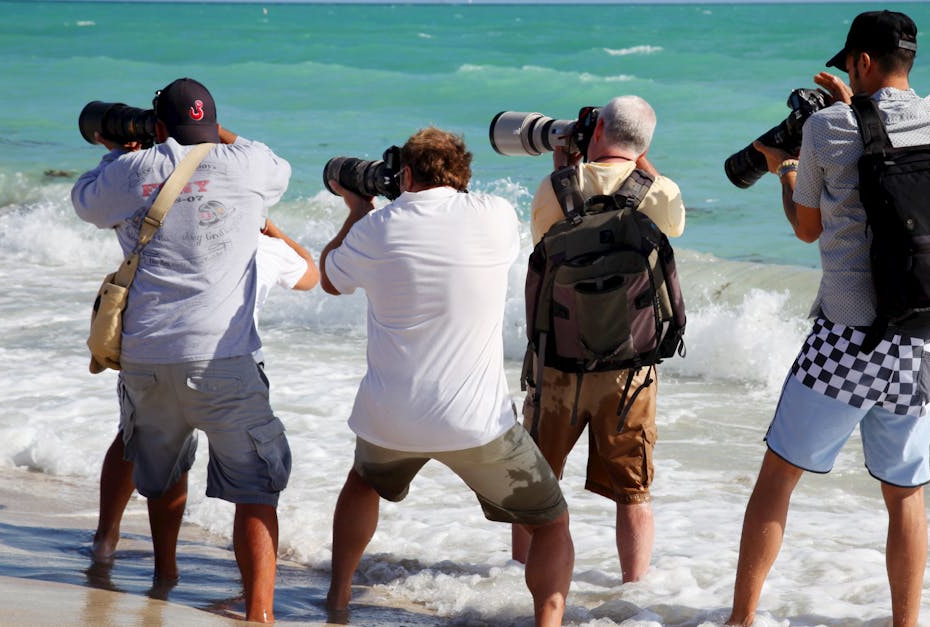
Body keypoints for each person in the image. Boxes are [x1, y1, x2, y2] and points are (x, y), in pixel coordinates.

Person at [726, 11, 930, 627]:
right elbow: (892, 140)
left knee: (778, 478)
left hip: (846, 341)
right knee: (905, 494)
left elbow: (807, 225)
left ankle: (740, 620)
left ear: (861, 61)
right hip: (920, 342)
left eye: (850, 65)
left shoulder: (826, 130)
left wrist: (785, 168)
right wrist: (852, 109)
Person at [318, 127, 573, 626]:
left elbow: (329, 278)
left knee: (363, 484)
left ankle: (339, 597)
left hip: (391, 417)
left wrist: (357, 209)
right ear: (463, 175)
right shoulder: (496, 215)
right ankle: (549, 622)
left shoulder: (377, 227)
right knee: (550, 521)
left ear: (405, 173)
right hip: (475, 422)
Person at [72, 77, 295, 623]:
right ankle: (260, 612)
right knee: (255, 488)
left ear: (159, 125)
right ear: (215, 124)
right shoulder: (250, 163)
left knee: (163, 471)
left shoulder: (132, 171)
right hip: (226, 356)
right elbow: (275, 165)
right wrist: (211, 131)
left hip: (149, 355)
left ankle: (164, 574)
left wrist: (115, 152)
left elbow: (85, 203)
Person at [510, 94, 685, 584]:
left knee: (535, 486)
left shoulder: (556, 187)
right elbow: (671, 219)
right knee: (634, 493)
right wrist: (642, 161)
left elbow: (543, 241)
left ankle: (516, 579)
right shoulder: (662, 192)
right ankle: (633, 593)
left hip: (557, 362)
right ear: (646, 142)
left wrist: (566, 166)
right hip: (630, 369)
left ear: (598, 127)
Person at [92, 218, 318, 564]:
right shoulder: (266, 248)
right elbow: (310, 276)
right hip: (230, 366)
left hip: (153, 355)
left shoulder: (175, 237)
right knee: (253, 482)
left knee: (141, 442)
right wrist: (274, 230)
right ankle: (256, 603)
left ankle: (129, 550)